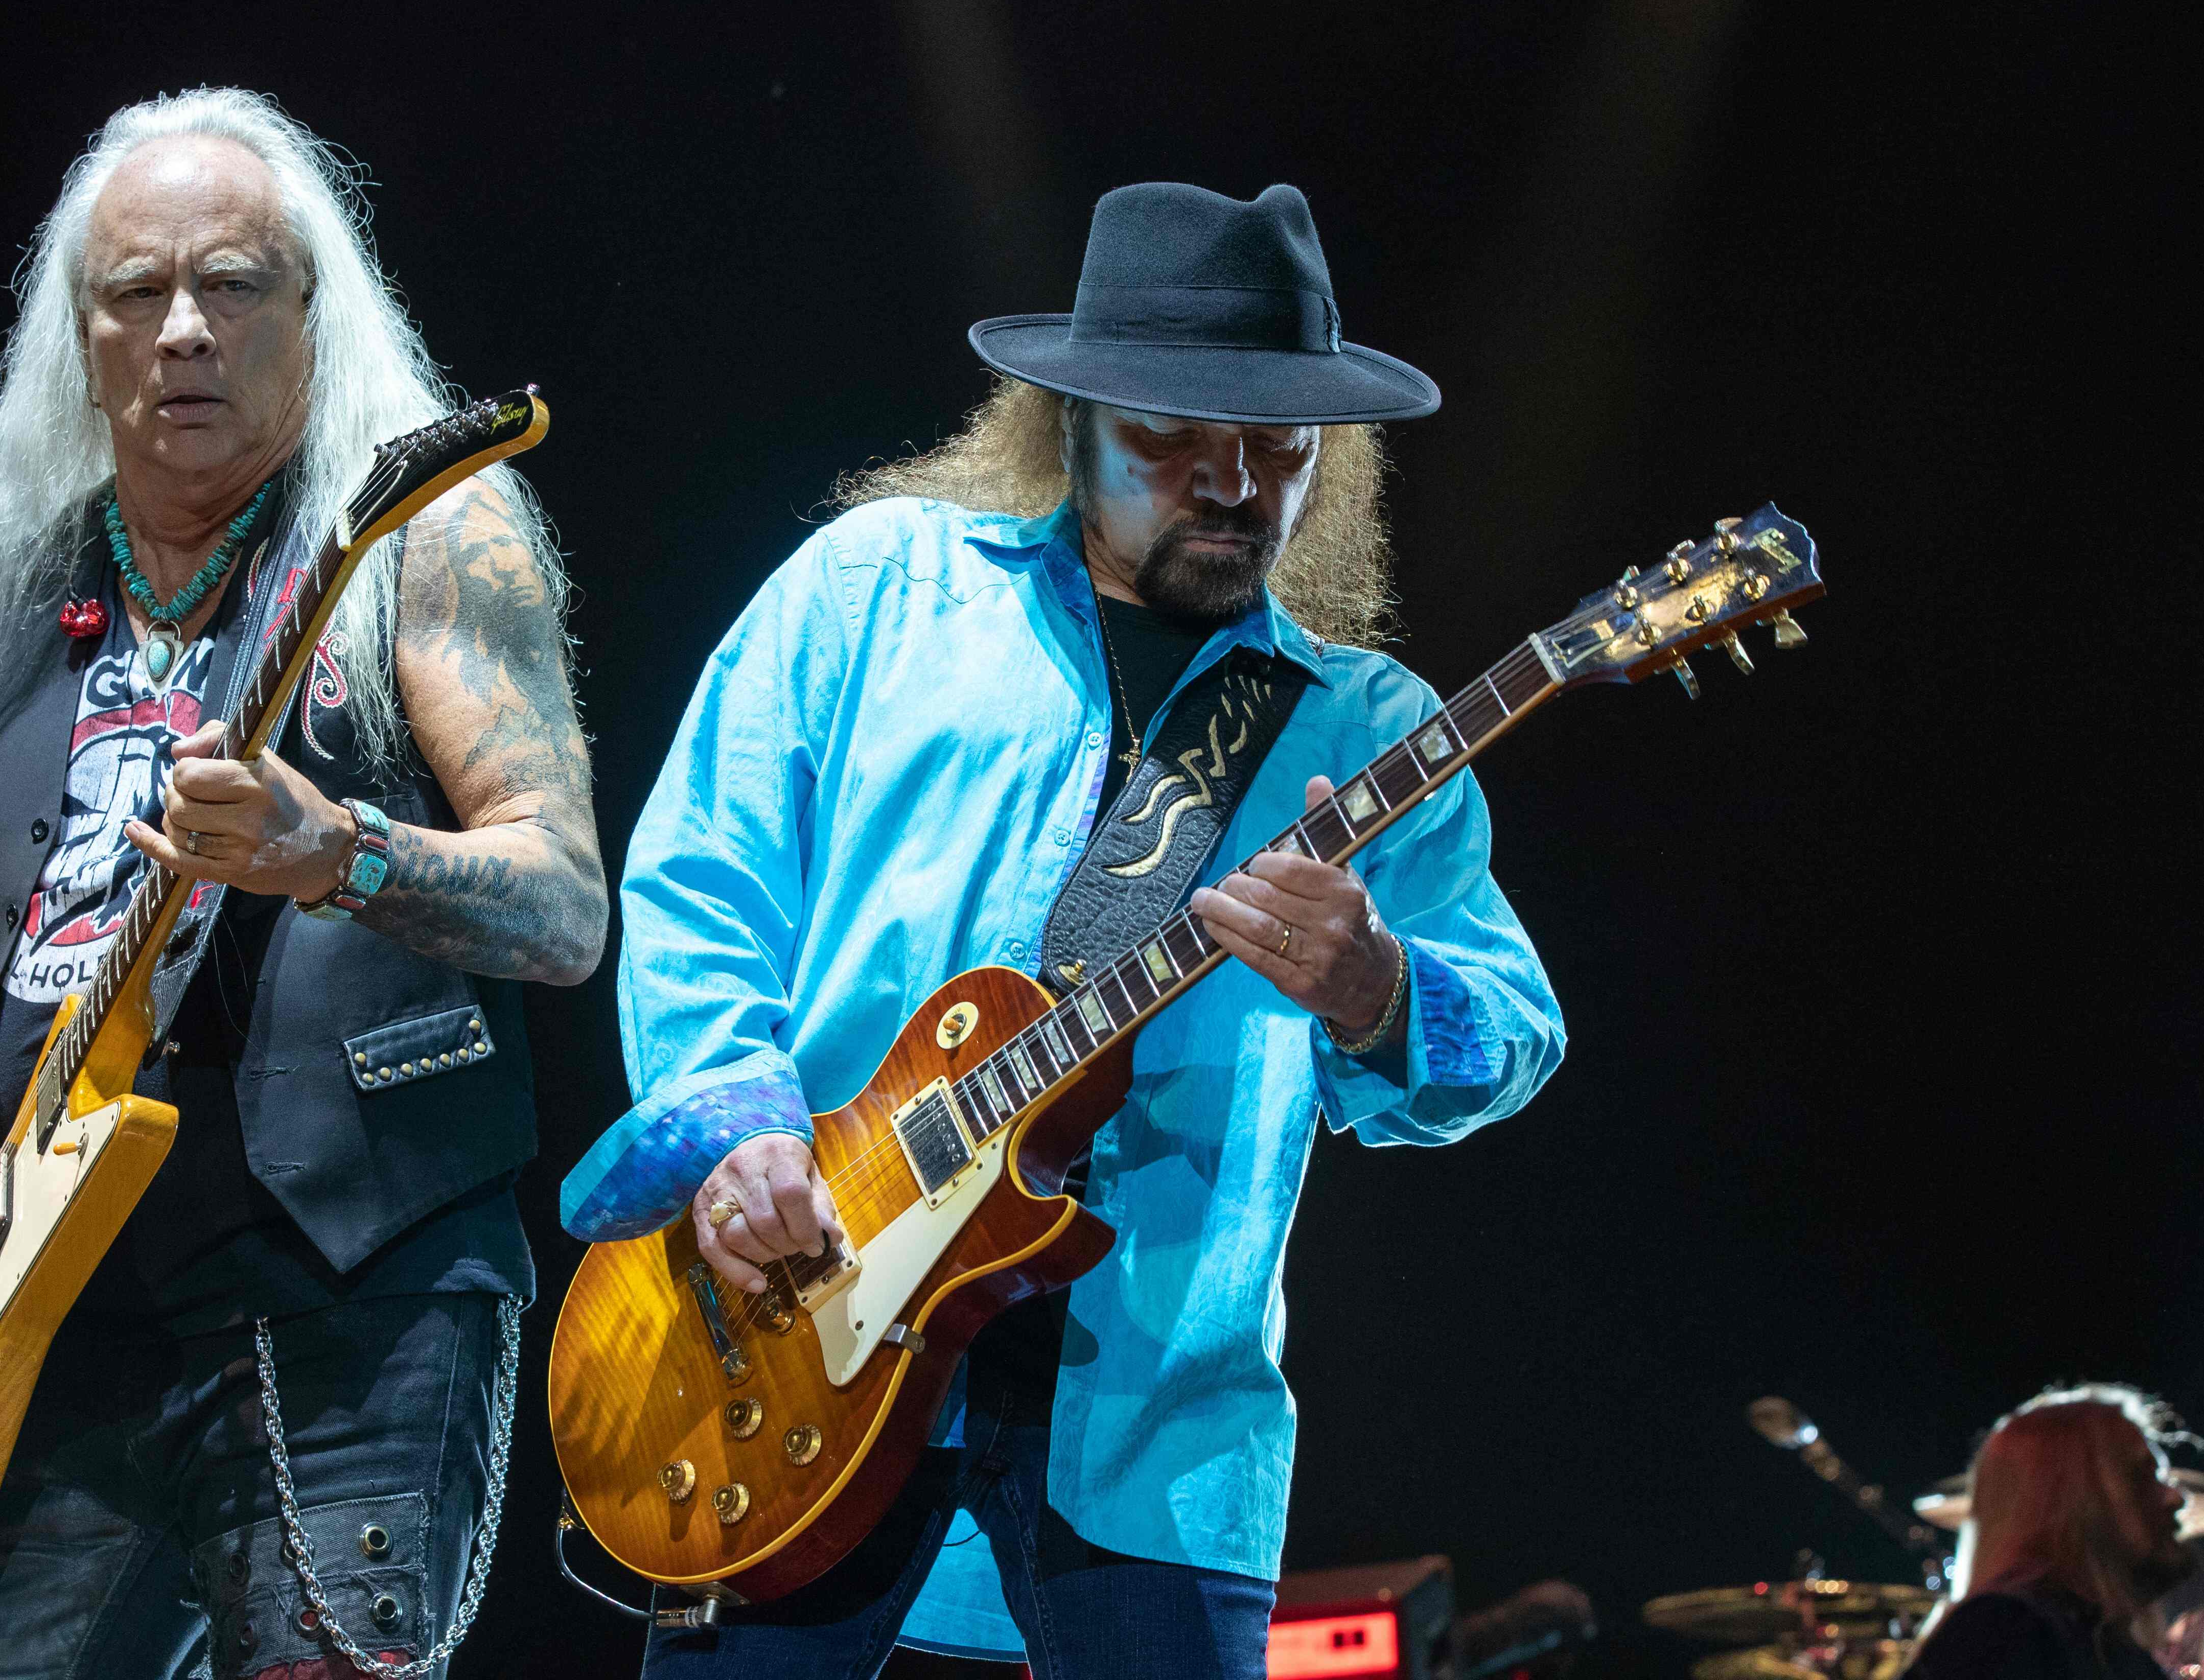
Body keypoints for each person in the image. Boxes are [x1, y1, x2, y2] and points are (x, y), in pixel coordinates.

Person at [559, 181, 1566, 1676]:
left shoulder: (1365, 729)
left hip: (1154, 1419)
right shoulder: (874, 592)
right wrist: (734, 1133)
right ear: (1067, 423)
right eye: (1178, 435)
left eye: (1280, 445)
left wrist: (1379, 987)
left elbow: (1516, 1028)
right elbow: (705, 877)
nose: (1237, 481)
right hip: (797, 1330)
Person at [0, 88, 604, 1678]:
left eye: (234, 285)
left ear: (311, 313)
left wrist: (335, 851)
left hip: (348, 1295)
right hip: (45, 1315)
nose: (184, 329)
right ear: (85, 335)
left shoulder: (425, 538)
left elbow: (562, 904)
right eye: (138, 292)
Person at [1907, 1385, 2200, 1680]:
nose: (2177, 1498)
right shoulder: (2002, 1632)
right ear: (2076, 1499)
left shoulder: (2109, 1646)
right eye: (2144, 1476)